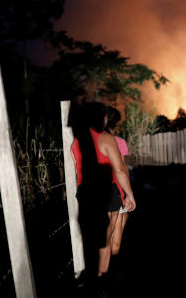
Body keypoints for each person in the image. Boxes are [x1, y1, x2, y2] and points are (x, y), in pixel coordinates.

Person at [70, 102, 136, 290]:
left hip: (84, 193)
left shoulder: (76, 141)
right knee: (104, 240)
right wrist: (129, 195)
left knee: (90, 238)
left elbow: (77, 170)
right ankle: (101, 280)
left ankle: (91, 277)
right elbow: (120, 170)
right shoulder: (107, 138)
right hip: (106, 192)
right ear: (102, 118)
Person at [105, 106, 131, 256]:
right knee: (117, 228)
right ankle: (109, 267)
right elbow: (122, 168)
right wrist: (128, 192)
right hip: (115, 189)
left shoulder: (95, 141)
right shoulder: (119, 142)